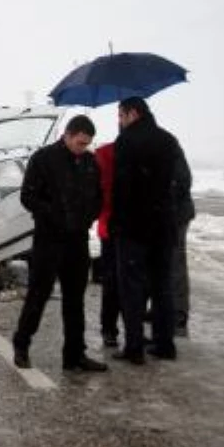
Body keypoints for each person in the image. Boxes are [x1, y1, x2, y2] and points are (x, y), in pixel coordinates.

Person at [12, 115, 106, 371]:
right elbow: (27, 196)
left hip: (77, 241)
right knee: (38, 295)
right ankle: (21, 345)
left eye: (86, 144)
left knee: (75, 300)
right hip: (49, 240)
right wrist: (53, 214)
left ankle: (74, 355)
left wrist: (88, 216)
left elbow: (99, 197)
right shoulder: (43, 159)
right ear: (67, 135)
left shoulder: (89, 163)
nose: (82, 147)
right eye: (79, 142)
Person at [111, 96, 183, 364]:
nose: (119, 121)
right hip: (163, 226)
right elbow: (176, 182)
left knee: (132, 289)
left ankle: (134, 347)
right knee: (162, 286)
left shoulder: (127, 141)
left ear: (132, 113)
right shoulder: (168, 140)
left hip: (134, 228)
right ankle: (165, 344)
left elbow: (122, 188)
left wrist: (118, 222)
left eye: (120, 115)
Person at [94, 141, 121, 348]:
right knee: (118, 282)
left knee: (115, 281)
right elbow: (98, 190)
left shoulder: (103, 153)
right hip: (113, 225)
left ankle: (110, 329)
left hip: (115, 226)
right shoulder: (105, 153)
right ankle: (110, 329)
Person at [172, 147, 195, 337]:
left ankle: (179, 315)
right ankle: (163, 310)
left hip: (176, 216)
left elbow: (183, 182)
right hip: (170, 214)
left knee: (175, 264)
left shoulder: (166, 147)